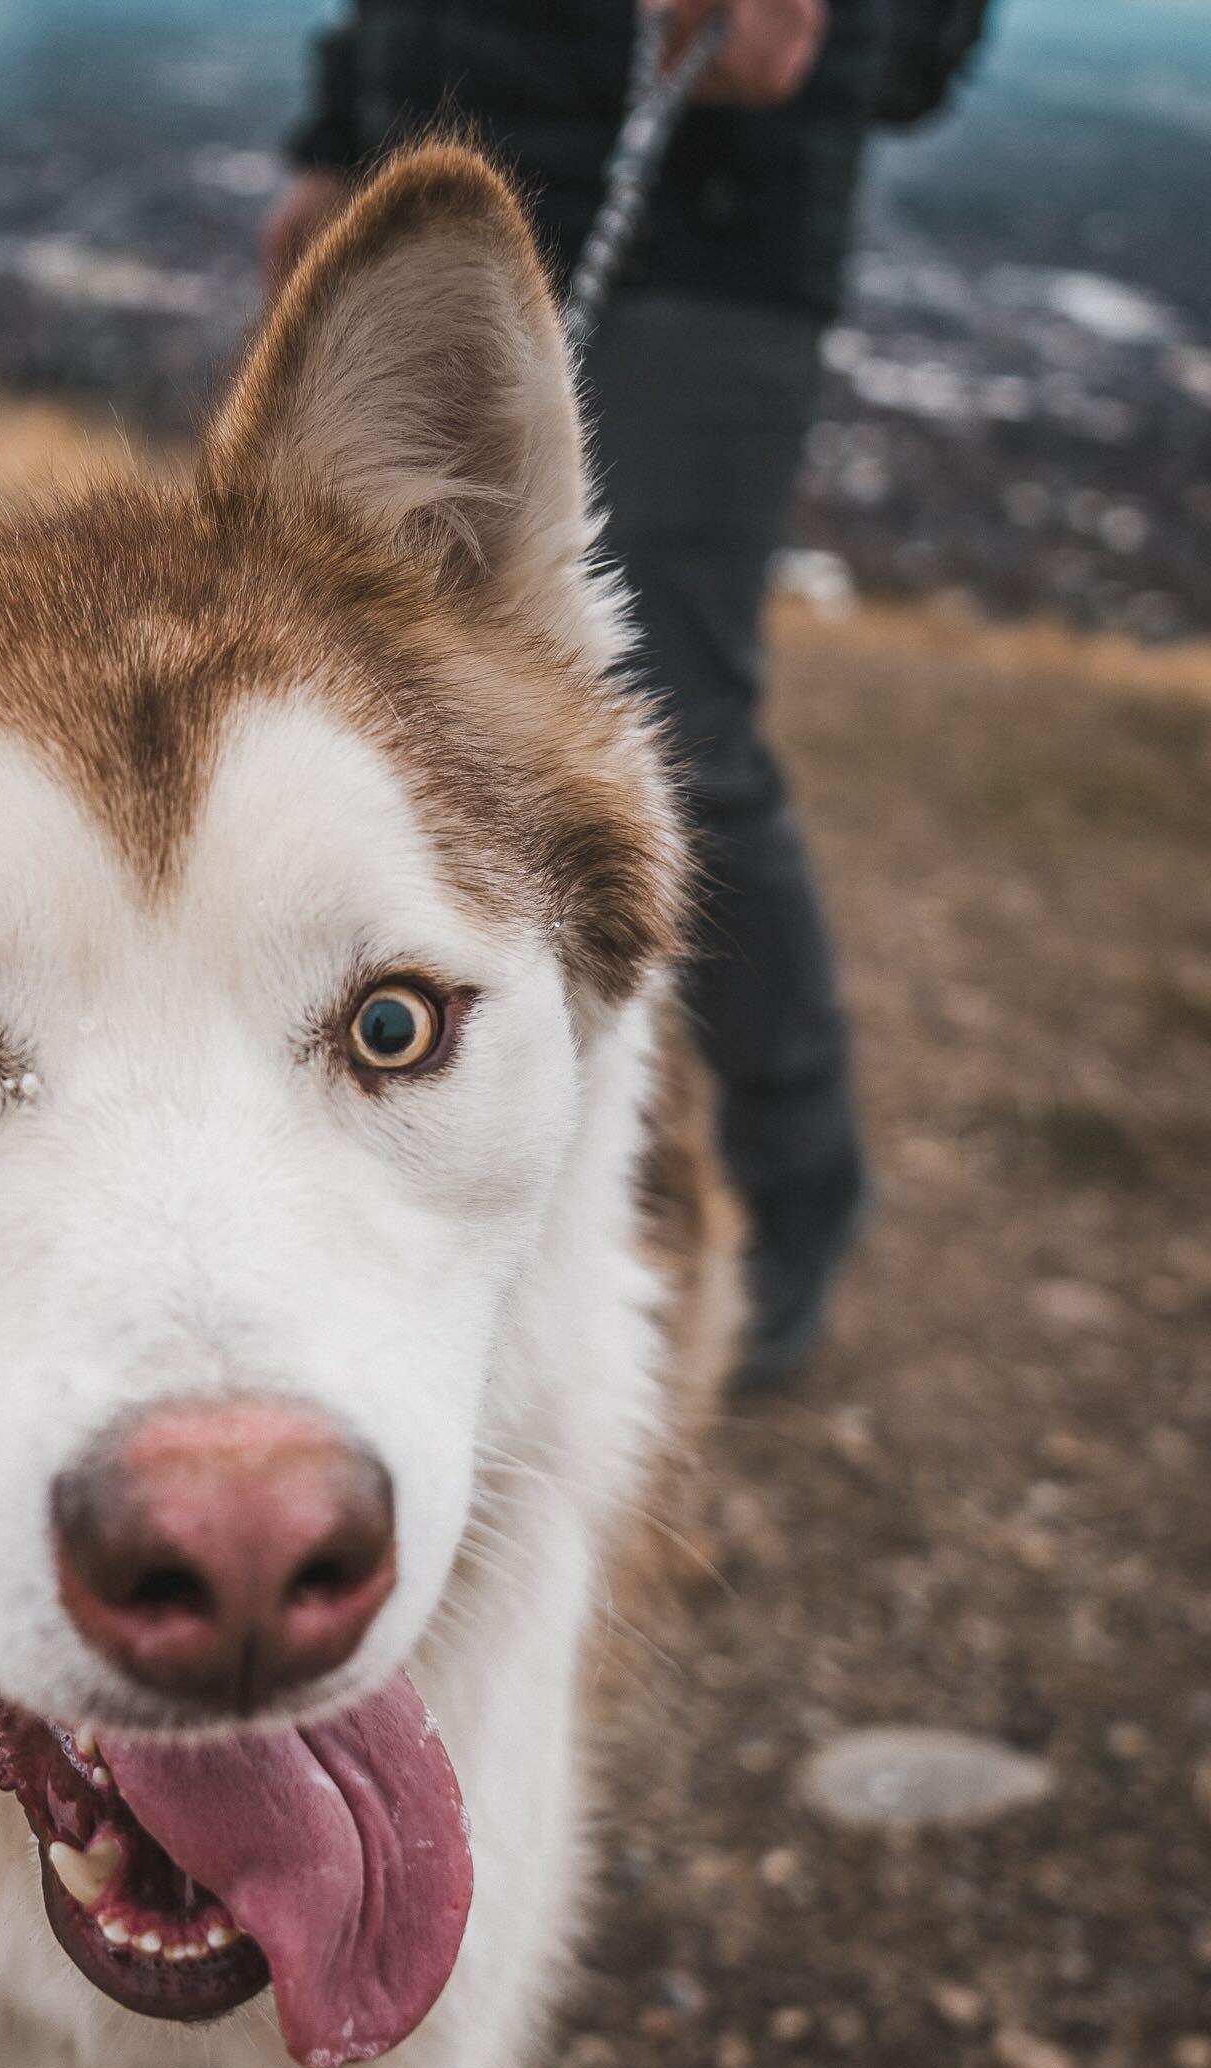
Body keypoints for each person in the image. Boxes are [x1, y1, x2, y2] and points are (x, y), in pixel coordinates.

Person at [263, 0, 992, 1385]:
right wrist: (335, 139)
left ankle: (788, 1200)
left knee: (680, 727)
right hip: (442, 161)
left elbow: (926, 41)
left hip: (712, 210)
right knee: (367, 737)